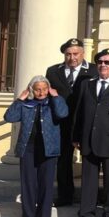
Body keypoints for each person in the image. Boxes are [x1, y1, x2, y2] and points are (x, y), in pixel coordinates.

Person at [70, 49, 109, 217]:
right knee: (88, 180)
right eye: (101, 62)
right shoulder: (87, 85)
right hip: (88, 139)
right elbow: (79, 112)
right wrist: (76, 136)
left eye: (108, 62)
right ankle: (86, 215)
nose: (103, 65)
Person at [4, 76, 69, 217]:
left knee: (46, 184)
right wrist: (20, 99)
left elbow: (63, 114)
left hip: (49, 150)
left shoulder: (54, 103)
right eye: (38, 89)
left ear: (49, 89)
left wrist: (56, 96)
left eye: (44, 89)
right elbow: (9, 117)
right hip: (28, 149)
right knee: (28, 184)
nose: (41, 92)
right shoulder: (26, 105)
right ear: (32, 90)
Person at [45, 38, 96, 207]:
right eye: (68, 54)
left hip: (86, 123)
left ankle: (89, 199)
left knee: (90, 161)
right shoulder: (53, 72)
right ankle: (65, 196)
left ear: (83, 54)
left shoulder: (94, 71)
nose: (72, 58)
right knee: (63, 161)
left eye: (76, 54)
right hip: (62, 124)